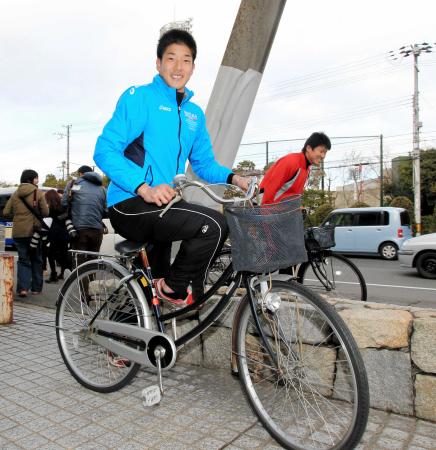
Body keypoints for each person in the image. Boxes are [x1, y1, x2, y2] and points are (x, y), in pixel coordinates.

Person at [94, 28, 248, 307]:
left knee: (148, 294)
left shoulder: (194, 114)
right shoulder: (140, 98)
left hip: (166, 207)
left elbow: (204, 163)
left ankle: (128, 340)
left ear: (193, 66)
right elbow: (104, 151)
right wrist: (145, 187)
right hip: (130, 203)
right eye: (171, 58)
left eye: (186, 60)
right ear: (158, 63)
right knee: (212, 224)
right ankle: (175, 288)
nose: (178, 67)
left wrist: (234, 178)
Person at [3, 169, 49, 297]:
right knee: (36, 259)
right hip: (34, 232)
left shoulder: (15, 194)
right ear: (31, 179)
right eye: (36, 178)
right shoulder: (38, 192)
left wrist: (18, 216)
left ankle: (23, 289)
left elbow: (6, 212)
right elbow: (45, 213)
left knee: (23, 260)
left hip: (18, 232)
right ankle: (36, 288)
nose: (38, 180)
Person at [259, 132, 331, 204]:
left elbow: (294, 195)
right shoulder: (291, 161)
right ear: (308, 148)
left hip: (280, 212)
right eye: (321, 151)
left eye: (325, 153)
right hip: (263, 209)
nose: (323, 156)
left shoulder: (306, 168)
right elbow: (270, 188)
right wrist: (266, 213)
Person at [62, 165, 107, 267]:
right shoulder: (102, 188)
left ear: (81, 174)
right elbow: (106, 210)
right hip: (97, 230)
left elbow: (64, 203)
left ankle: (82, 283)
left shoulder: (73, 184)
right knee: (93, 262)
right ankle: (92, 281)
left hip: (79, 230)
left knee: (79, 262)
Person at [44, 189, 70, 282]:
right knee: (64, 254)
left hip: (54, 233)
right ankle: (62, 274)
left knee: (50, 254)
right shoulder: (63, 206)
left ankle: (53, 275)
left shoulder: (50, 209)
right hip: (65, 233)